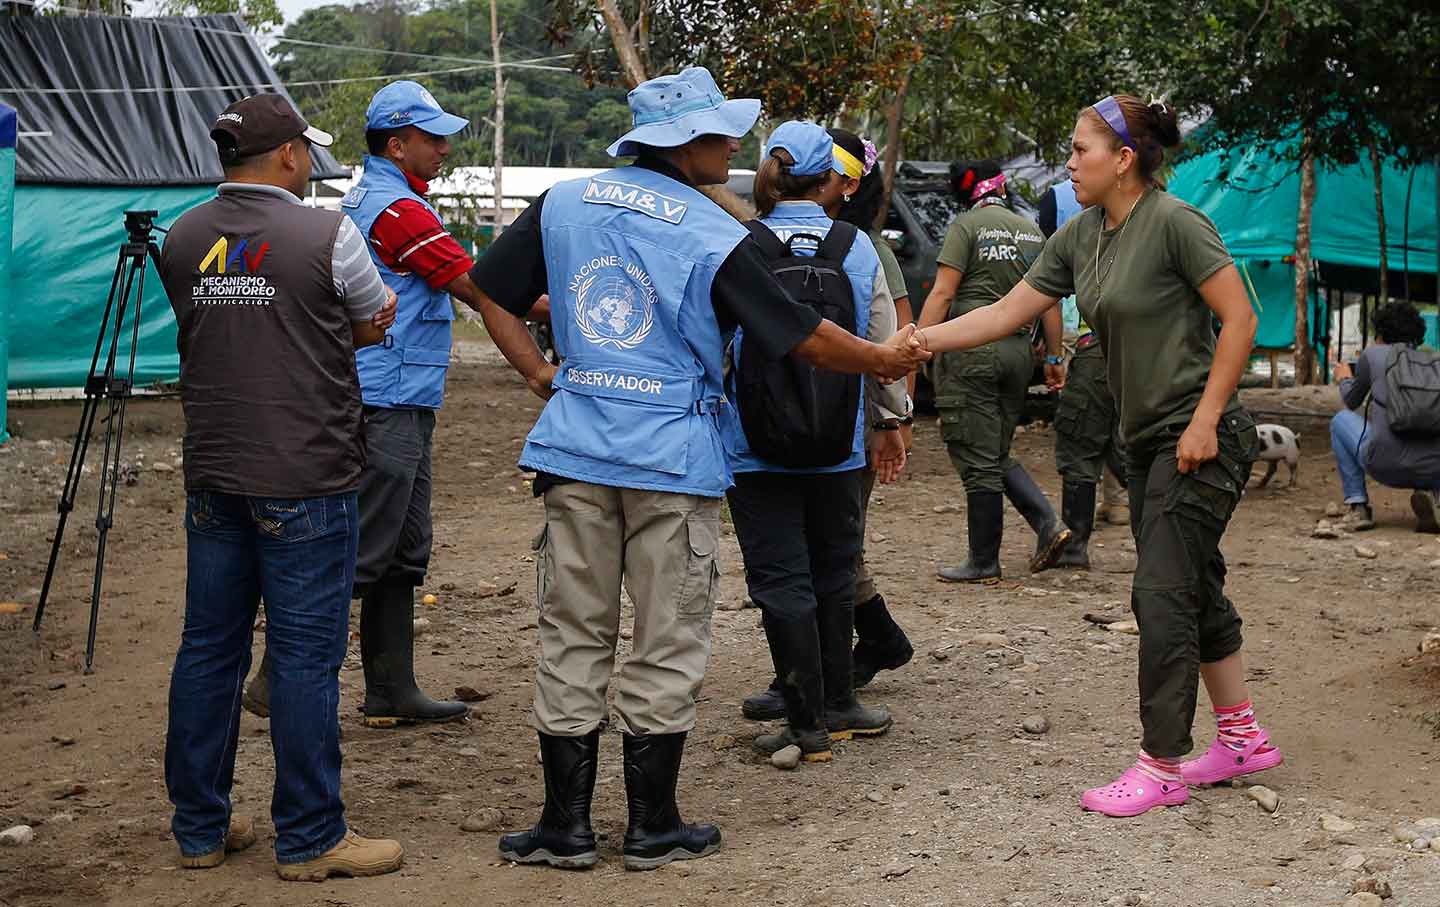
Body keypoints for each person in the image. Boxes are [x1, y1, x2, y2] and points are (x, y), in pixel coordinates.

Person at [465, 68, 928, 870]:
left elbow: (487, 288)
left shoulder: (565, 203)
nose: (736, 145)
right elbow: (802, 335)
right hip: (670, 462)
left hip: (576, 452)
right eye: (722, 132)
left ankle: (564, 825)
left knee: (572, 631)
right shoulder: (713, 229)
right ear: (684, 143)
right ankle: (652, 823)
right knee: (665, 635)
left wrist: (541, 375)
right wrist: (882, 357)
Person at [911, 94, 1284, 817]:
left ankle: (1163, 763)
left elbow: (1241, 317)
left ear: (1123, 159)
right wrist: (921, 341)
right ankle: (1240, 736)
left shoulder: (1177, 223)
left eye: (1081, 150)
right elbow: (1003, 312)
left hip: (1199, 438)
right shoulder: (1080, 234)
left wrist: (1206, 418)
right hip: (1145, 443)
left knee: (1160, 594)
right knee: (1192, 584)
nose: (1070, 162)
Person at [156, 93, 404, 880]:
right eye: (306, 149)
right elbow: (371, 320)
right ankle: (309, 836)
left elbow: (206, 322)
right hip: (307, 473)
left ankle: (199, 827)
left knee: (208, 648)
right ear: (290, 156)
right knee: (302, 657)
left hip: (217, 471)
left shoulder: (183, 236)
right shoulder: (328, 232)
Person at [243, 80, 504, 727]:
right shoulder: (399, 212)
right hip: (386, 395)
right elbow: (473, 284)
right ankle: (281, 674)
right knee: (364, 543)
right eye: (432, 136)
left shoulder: (374, 198)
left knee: (402, 545)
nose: (444, 147)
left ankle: (391, 690)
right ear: (397, 142)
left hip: (400, 393)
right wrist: (546, 316)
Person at [727, 121, 909, 764]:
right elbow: (885, 348)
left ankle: (804, 721)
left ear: (770, 173)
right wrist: (892, 419)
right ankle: (841, 705)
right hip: (839, 443)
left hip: (754, 444)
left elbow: (717, 343)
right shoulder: (856, 247)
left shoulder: (737, 242)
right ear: (830, 179)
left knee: (780, 577)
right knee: (835, 569)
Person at [916, 160, 1070, 583]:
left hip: (972, 353)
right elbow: (1051, 302)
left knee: (976, 453)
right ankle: (1048, 525)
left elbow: (944, 292)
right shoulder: (1031, 231)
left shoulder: (967, 226)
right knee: (996, 449)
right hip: (1019, 355)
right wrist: (1054, 359)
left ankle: (983, 559)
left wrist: (916, 345)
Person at [1039, 178, 1129, 568]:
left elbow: (1047, 294)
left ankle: (1074, 547)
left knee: (1081, 439)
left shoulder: (1069, 209)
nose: (1073, 165)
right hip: (1137, 352)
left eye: (1082, 149)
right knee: (1122, 441)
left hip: (1096, 344)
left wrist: (1056, 354)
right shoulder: (1163, 213)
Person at [1330, 302, 1440, 532]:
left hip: (1385, 464)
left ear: (1379, 333)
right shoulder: (1434, 362)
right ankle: (1436, 497)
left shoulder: (1373, 355)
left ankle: (1358, 506)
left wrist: (1343, 378)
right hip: (1435, 468)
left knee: (1340, 420)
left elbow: (1352, 401)